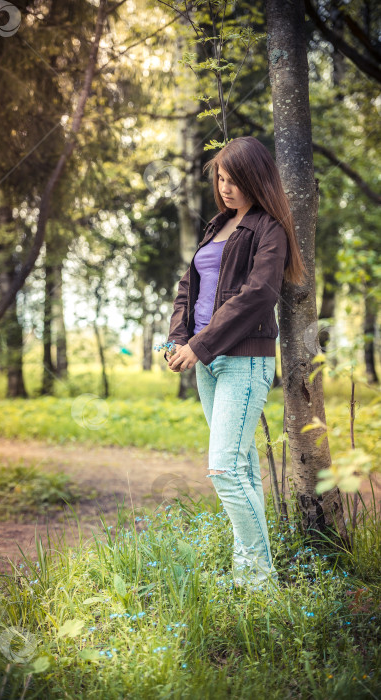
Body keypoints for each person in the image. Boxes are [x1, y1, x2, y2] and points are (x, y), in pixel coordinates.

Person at [165, 136, 307, 589]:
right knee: (241, 468)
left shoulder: (269, 229)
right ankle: (248, 575)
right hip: (206, 362)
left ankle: (261, 580)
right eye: (220, 179)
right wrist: (177, 339)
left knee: (224, 468)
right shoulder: (216, 226)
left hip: (243, 361)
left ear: (255, 178)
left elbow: (258, 295)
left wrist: (199, 344)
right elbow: (188, 288)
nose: (225, 188)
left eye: (234, 179)